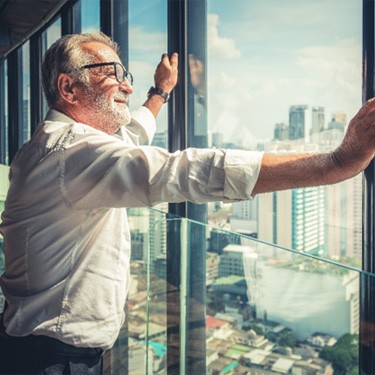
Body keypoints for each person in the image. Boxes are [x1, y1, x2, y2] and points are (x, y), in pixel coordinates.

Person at [0, 31, 375, 374]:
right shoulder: (70, 153)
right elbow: (183, 169)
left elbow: (132, 135)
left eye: (125, 73)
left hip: (39, 349)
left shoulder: (55, 149)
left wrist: (160, 92)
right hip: (50, 361)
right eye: (111, 72)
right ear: (68, 87)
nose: (126, 86)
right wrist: (336, 163)